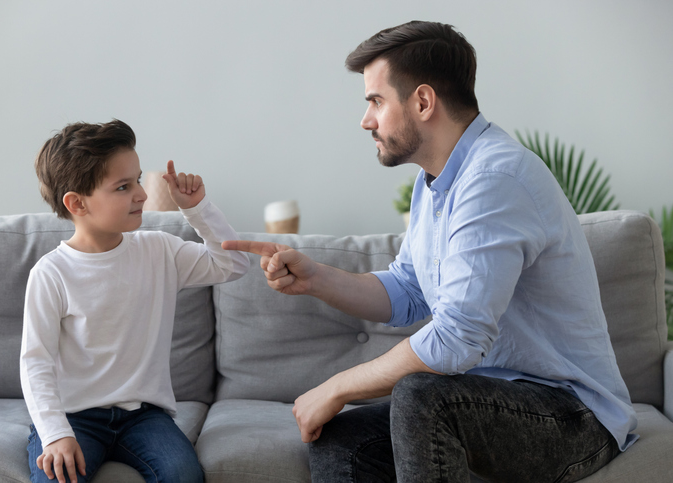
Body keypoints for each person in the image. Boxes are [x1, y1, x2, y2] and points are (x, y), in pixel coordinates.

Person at [222, 21, 637, 483]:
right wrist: (316, 277)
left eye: (376, 101)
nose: (366, 120)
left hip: (572, 418)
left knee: (422, 395)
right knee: (341, 437)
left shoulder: (495, 179)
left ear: (422, 101)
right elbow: (407, 292)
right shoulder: (433, 182)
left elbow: (456, 341)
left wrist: (338, 386)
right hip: (489, 403)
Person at [20, 119, 249, 483]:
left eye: (138, 179)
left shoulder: (159, 250)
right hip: (74, 417)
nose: (142, 193)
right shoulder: (51, 273)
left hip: (144, 417)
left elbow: (234, 264)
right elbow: (36, 363)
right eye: (124, 186)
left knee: (185, 475)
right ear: (77, 203)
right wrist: (55, 433)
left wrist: (198, 209)